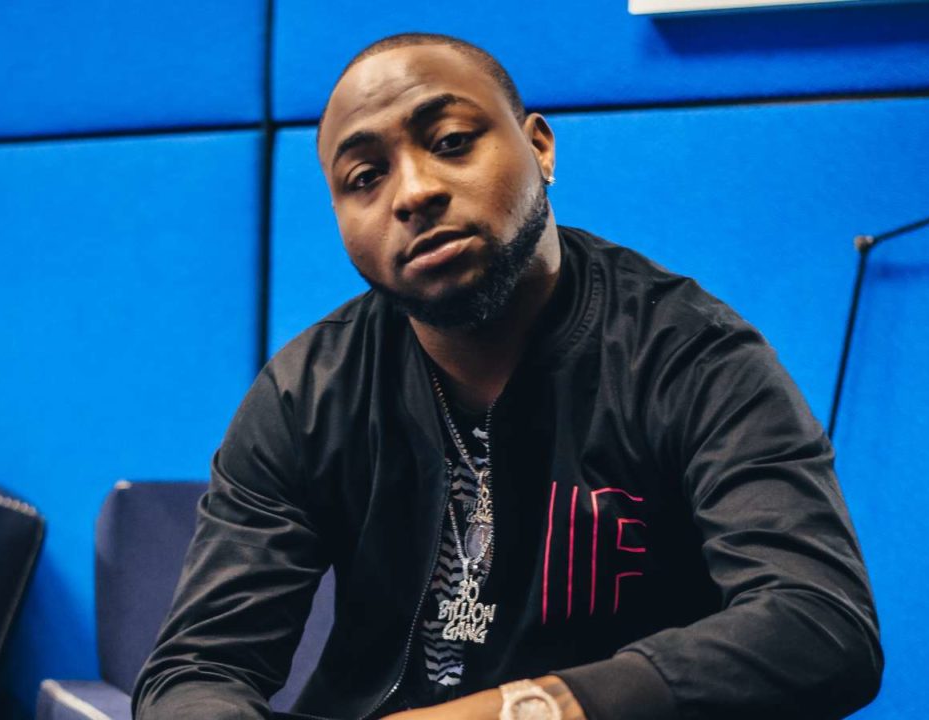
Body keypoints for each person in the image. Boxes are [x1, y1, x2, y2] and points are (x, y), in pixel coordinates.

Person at [135, 32, 882, 720]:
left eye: (451, 142)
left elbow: (819, 624)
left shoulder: (690, 356)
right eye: (365, 176)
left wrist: (527, 710)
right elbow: (196, 670)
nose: (412, 192)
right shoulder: (306, 393)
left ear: (539, 147)